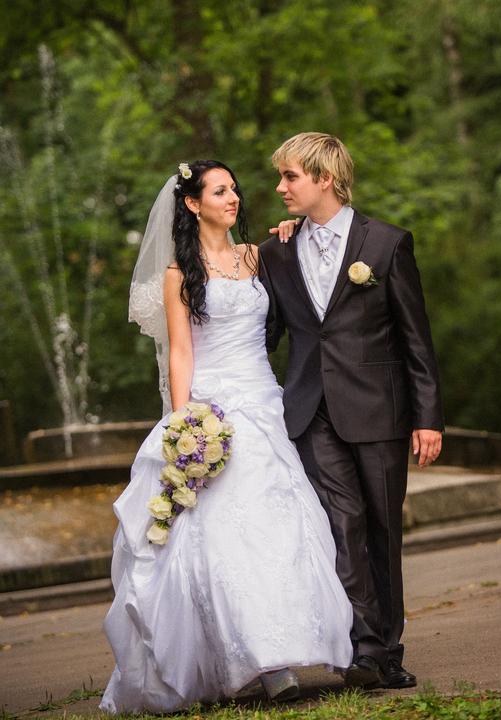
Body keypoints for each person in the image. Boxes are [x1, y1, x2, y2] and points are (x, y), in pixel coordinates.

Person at [100, 160, 353, 714]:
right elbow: (181, 352)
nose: (233, 197)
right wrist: (184, 423)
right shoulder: (178, 275)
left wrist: (292, 229)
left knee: (282, 525)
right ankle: (263, 665)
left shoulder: (257, 257)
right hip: (212, 409)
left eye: (234, 189)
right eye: (220, 191)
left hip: (265, 403)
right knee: (223, 535)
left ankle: (296, 643)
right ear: (193, 204)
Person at [259, 133, 444, 690]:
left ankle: (389, 650)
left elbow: (415, 338)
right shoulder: (276, 252)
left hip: (380, 410)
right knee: (343, 527)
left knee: (383, 530)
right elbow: (265, 335)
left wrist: (428, 416)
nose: (280, 187)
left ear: (325, 179)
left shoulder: (387, 244)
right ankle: (363, 649)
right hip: (310, 410)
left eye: (290, 176)